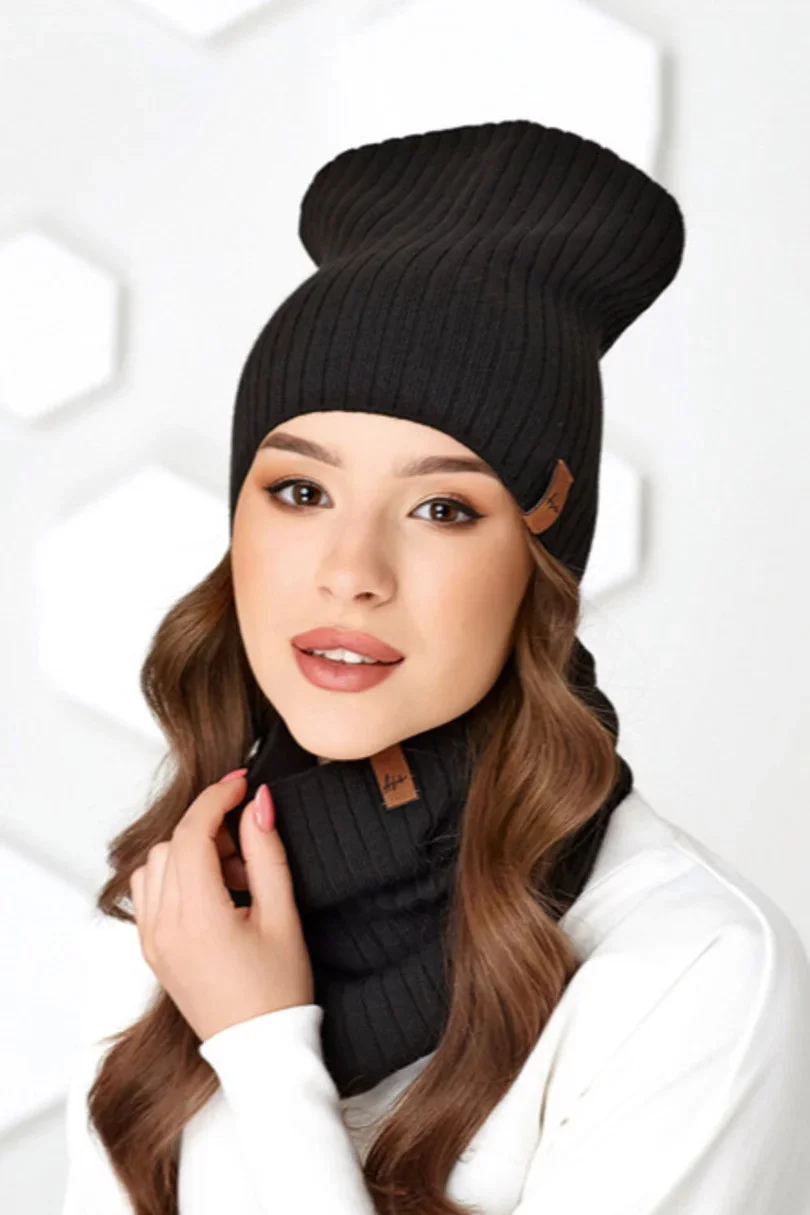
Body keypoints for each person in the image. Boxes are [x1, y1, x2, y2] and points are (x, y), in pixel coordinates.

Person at [61, 119, 810, 1215]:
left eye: (444, 508)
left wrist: (263, 1050)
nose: (351, 573)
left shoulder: (692, 966)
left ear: (540, 564)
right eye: (301, 491)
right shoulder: (176, 907)